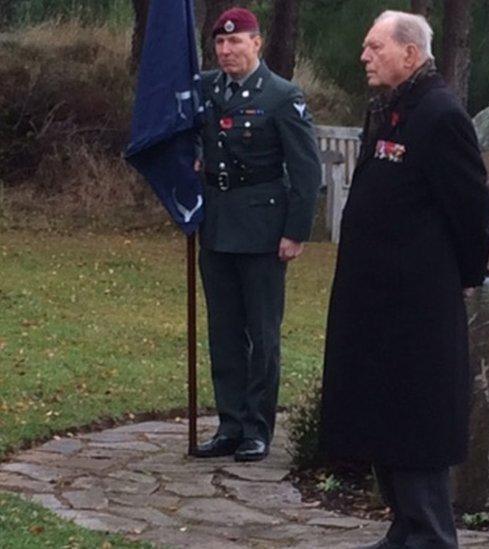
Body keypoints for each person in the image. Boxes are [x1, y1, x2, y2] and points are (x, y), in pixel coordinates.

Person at [318, 10, 489, 549]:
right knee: (384, 419)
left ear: (411, 54)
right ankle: (404, 529)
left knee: (416, 427)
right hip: (377, 303)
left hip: (418, 305)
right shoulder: (392, 110)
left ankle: (429, 535)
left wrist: (461, 277)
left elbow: (473, 210)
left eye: (375, 47)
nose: (364, 56)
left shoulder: (440, 115)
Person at [192, 7, 321, 462]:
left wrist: (296, 232)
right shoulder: (205, 88)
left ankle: (256, 428)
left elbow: (306, 171)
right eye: (220, 44)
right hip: (217, 224)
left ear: (257, 43)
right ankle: (229, 424)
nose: (227, 51)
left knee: (262, 334)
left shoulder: (282, 96)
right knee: (224, 331)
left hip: (265, 229)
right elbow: (189, 135)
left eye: (236, 42)